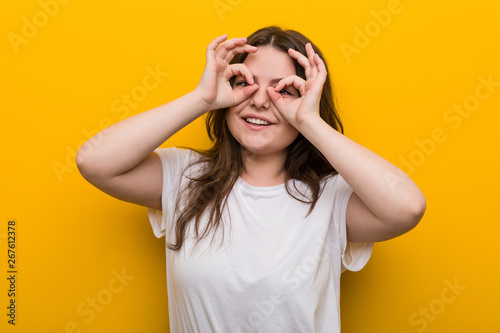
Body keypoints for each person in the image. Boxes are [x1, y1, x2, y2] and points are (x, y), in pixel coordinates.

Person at [76, 26, 426, 333]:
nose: (259, 101)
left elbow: (407, 207)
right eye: (245, 83)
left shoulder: (331, 198)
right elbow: (94, 161)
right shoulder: (185, 178)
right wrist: (202, 98)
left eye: (283, 91)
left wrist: (310, 122)